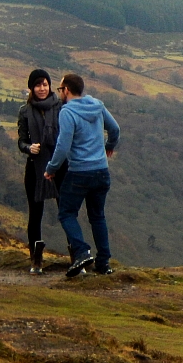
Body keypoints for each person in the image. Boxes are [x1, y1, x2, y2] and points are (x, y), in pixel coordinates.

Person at [44, 73, 121, 277]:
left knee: (66, 213)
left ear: (67, 90)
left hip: (79, 172)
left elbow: (63, 145)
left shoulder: (67, 112)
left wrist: (51, 168)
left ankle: (81, 251)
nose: (60, 93)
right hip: (101, 172)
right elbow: (115, 129)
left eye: (60, 89)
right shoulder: (97, 105)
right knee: (97, 216)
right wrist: (109, 146)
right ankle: (103, 263)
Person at [16, 68, 67, 273]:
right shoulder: (24, 111)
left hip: (60, 167)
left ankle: (75, 255)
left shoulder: (62, 107)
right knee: (35, 214)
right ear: (31, 88)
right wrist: (29, 148)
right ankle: (36, 260)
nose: (42, 88)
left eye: (45, 84)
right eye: (38, 84)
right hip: (35, 168)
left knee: (65, 212)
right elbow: (21, 141)